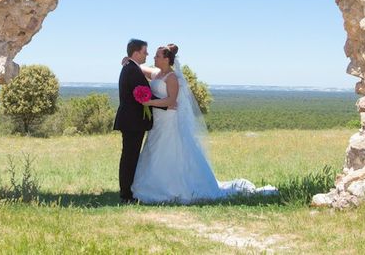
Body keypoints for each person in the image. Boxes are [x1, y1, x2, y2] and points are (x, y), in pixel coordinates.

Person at [130, 44, 278, 204]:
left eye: (157, 56)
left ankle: (173, 187)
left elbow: (172, 100)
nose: (154, 58)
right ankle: (150, 185)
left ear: (166, 59)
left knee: (169, 149)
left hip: (169, 120)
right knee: (153, 149)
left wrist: (149, 101)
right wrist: (130, 61)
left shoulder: (172, 78)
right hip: (158, 120)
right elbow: (141, 68)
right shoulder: (157, 73)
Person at [112, 38, 173, 204]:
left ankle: (127, 192)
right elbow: (145, 95)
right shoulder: (131, 70)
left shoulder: (131, 67)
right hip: (132, 122)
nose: (147, 54)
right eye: (145, 51)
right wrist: (168, 105)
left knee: (130, 157)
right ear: (136, 52)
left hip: (132, 121)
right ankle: (126, 195)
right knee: (129, 158)